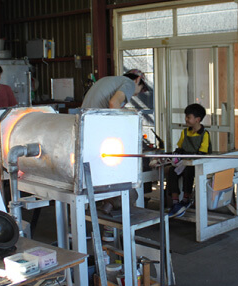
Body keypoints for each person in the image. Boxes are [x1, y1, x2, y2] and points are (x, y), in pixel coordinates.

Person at [81, 69, 150, 241]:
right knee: (125, 187)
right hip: (100, 140)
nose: (135, 94)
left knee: (104, 185)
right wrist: (131, 117)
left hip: (86, 138)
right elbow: (114, 104)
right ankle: (110, 228)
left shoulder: (107, 80)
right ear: (138, 79)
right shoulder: (127, 83)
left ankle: (101, 218)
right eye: (140, 90)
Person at [166, 103, 211, 218]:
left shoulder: (205, 134)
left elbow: (203, 153)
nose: (186, 119)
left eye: (188, 117)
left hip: (197, 163)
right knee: (171, 171)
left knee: (188, 172)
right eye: (186, 116)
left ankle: (186, 198)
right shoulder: (184, 132)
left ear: (197, 119)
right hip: (184, 162)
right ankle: (175, 201)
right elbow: (180, 147)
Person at [81, 69, 150, 109]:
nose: (136, 95)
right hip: (96, 121)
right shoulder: (130, 83)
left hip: (85, 121)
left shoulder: (107, 79)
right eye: (141, 89)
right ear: (138, 80)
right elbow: (113, 103)